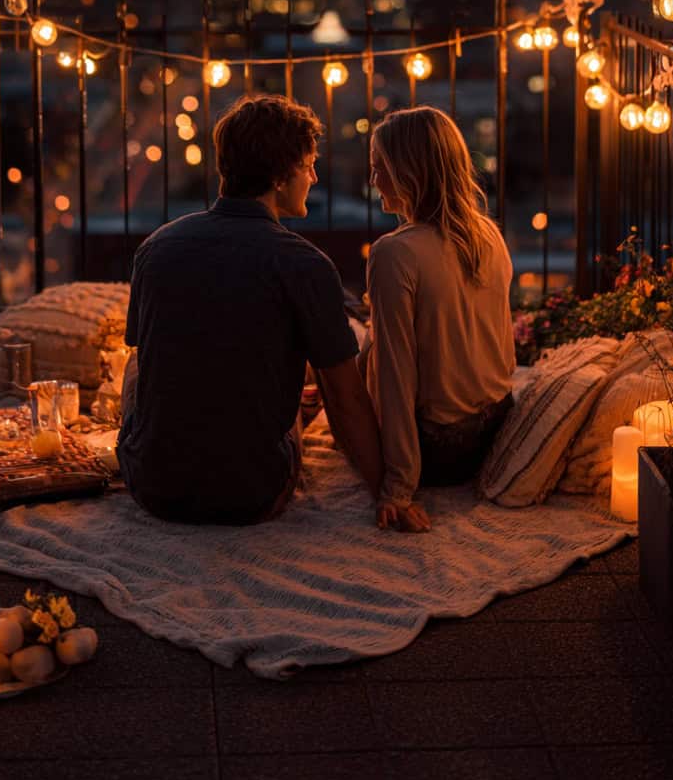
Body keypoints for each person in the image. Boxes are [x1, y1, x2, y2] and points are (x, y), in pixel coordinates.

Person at [117, 94, 384, 525]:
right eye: (308, 165)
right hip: (251, 494)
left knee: (135, 364)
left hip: (153, 487)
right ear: (280, 176)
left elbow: (146, 356)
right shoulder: (304, 263)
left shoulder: (156, 248)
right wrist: (385, 492)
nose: (314, 177)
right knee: (295, 384)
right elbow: (346, 397)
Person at [365, 106, 515, 533]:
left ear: (409, 172)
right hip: (496, 429)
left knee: (362, 355)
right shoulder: (488, 234)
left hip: (441, 451)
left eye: (380, 168)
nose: (373, 180)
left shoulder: (395, 252)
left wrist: (398, 487)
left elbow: (395, 374)